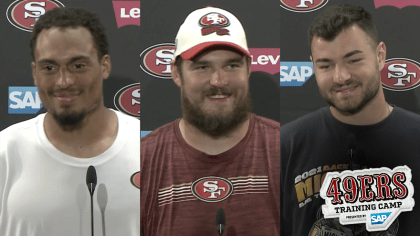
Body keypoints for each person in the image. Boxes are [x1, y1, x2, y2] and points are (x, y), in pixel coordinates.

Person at [281, 4, 420, 236]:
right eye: (325, 65)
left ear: (380, 56)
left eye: (353, 60)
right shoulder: (286, 146)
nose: (341, 76)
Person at [140, 6, 280, 236]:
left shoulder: (284, 150)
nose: (218, 80)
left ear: (248, 69)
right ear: (176, 73)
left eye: (231, 65)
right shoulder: (144, 160)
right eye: (203, 67)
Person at [0, 7, 140, 236]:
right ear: (35, 73)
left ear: (104, 66)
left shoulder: (146, 147)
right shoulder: (5, 150)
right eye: (49, 68)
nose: (63, 81)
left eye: (78, 65)